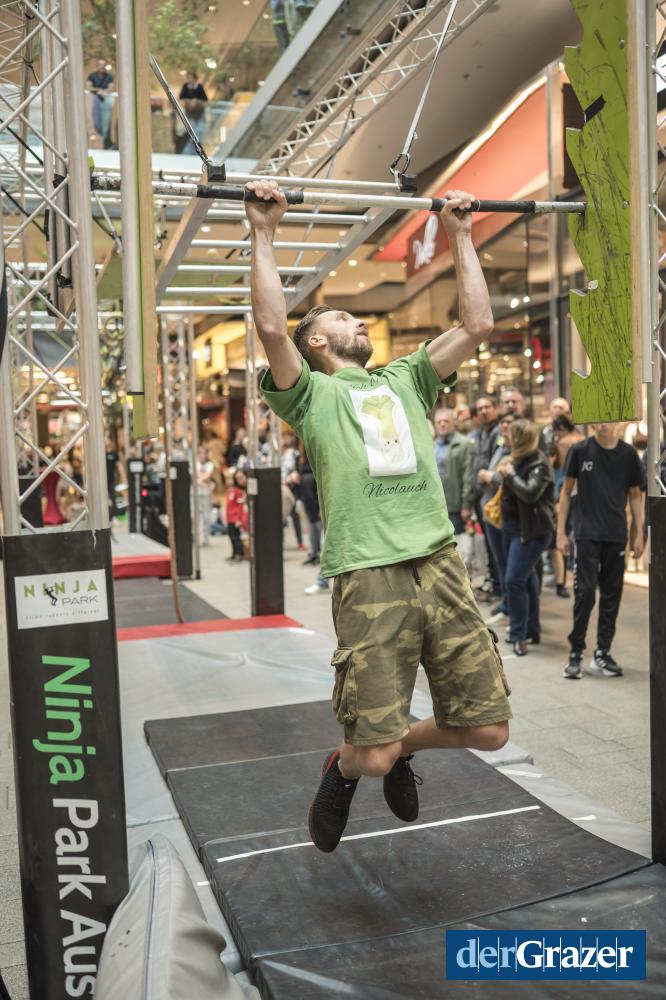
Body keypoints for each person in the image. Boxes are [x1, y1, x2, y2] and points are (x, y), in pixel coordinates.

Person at [246, 179, 511, 854]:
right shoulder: (309, 395)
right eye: (342, 317)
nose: (359, 321)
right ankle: (345, 767)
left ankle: (399, 746)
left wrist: (459, 233)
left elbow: (478, 326)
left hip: (439, 564)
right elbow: (271, 326)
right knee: (373, 756)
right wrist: (263, 231)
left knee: (490, 730)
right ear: (316, 341)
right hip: (368, 574)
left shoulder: (407, 378)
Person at [557, 423, 644, 679]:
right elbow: (565, 492)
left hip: (615, 534)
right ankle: (575, 652)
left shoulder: (628, 454)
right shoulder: (580, 450)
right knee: (585, 593)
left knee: (611, 596)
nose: (604, 423)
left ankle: (602, 653)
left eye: (609, 417)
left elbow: (635, 495)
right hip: (586, 534)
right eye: (598, 418)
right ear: (592, 421)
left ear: (618, 421)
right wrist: (560, 532)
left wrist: (638, 532)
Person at [496, 419, 555, 656]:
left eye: (511, 435)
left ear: (520, 439)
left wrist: (510, 475)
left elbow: (530, 493)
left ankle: (518, 634)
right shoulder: (516, 458)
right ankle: (532, 629)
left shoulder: (539, 463)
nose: (507, 438)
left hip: (532, 531)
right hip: (512, 527)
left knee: (514, 580)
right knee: (527, 579)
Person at [477, 412, 514, 621]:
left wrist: (490, 476)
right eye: (503, 422)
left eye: (509, 422)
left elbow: (509, 479)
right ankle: (506, 603)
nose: (505, 426)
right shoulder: (500, 447)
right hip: (491, 511)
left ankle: (512, 608)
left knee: (510, 566)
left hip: (506, 514)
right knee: (499, 561)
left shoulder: (519, 450)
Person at [471, 394, 501, 599]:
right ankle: (496, 584)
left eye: (487, 407)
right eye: (480, 408)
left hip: (494, 496)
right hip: (481, 496)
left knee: (496, 546)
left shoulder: (499, 431)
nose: (483, 411)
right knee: (490, 546)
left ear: (495, 408)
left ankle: (500, 588)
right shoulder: (480, 432)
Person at [433, 408, 474, 535]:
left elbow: (468, 477)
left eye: (446, 421)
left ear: (454, 422)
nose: (442, 424)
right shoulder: (433, 445)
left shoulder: (464, 444)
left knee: (457, 542)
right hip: (437, 506)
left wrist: (466, 505)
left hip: (456, 507)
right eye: (439, 422)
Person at [178, 71, 208, 154]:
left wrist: (196, 101)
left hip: (200, 114)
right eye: (188, 78)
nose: (189, 80)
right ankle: (190, 152)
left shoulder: (199, 87)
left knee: (199, 132)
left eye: (191, 78)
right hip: (190, 114)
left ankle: (196, 151)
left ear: (195, 78)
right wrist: (190, 101)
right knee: (192, 133)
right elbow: (181, 98)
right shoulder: (185, 87)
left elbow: (205, 99)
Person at [87, 59, 114, 143]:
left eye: (103, 65)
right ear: (97, 66)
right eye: (100, 65)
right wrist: (98, 90)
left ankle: (104, 139)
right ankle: (99, 135)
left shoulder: (109, 76)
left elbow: (111, 87)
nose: (101, 67)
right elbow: (88, 87)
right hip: (95, 98)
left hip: (106, 99)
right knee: (96, 121)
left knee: (106, 121)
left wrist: (104, 92)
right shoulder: (92, 76)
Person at [226, 468, 248, 561]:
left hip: (236, 518)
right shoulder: (230, 491)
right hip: (230, 518)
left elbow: (240, 507)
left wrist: (239, 519)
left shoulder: (239, 492)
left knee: (236, 537)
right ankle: (234, 553)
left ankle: (239, 554)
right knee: (231, 536)